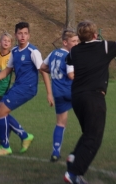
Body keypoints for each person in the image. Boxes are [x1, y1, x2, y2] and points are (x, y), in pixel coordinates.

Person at [64, 17, 116, 184]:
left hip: (77, 97)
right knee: (94, 138)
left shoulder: (75, 51)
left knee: (88, 133)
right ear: (94, 34)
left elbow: (68, 60)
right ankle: (74, 173)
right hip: (94, 97)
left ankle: (73, 158)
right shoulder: (104, 46)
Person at [0, 22, 53, 156]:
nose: (23, 36)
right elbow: (7, 70)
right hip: (17, 86)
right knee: (1, 111)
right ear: (15, 35)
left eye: (25, 33)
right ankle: (24, 136)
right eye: (20, 33)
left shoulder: (33, 52)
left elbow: (43, 71)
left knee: (0, 110)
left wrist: (49, 93)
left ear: (29, 35)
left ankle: (6, 147)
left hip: (28, 88)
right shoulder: (14, 51)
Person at [40, 30, 79, 162]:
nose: (76, 43)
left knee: (60, 123)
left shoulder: (53, 53)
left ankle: (56, 152)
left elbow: (42, 67)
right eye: (73, 41)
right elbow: (71, 75)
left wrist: (55, 72)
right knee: (87, 119)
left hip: (58, 92)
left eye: (77, 41)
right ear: (65, 42)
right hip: (71, 91)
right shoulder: (70, 56)